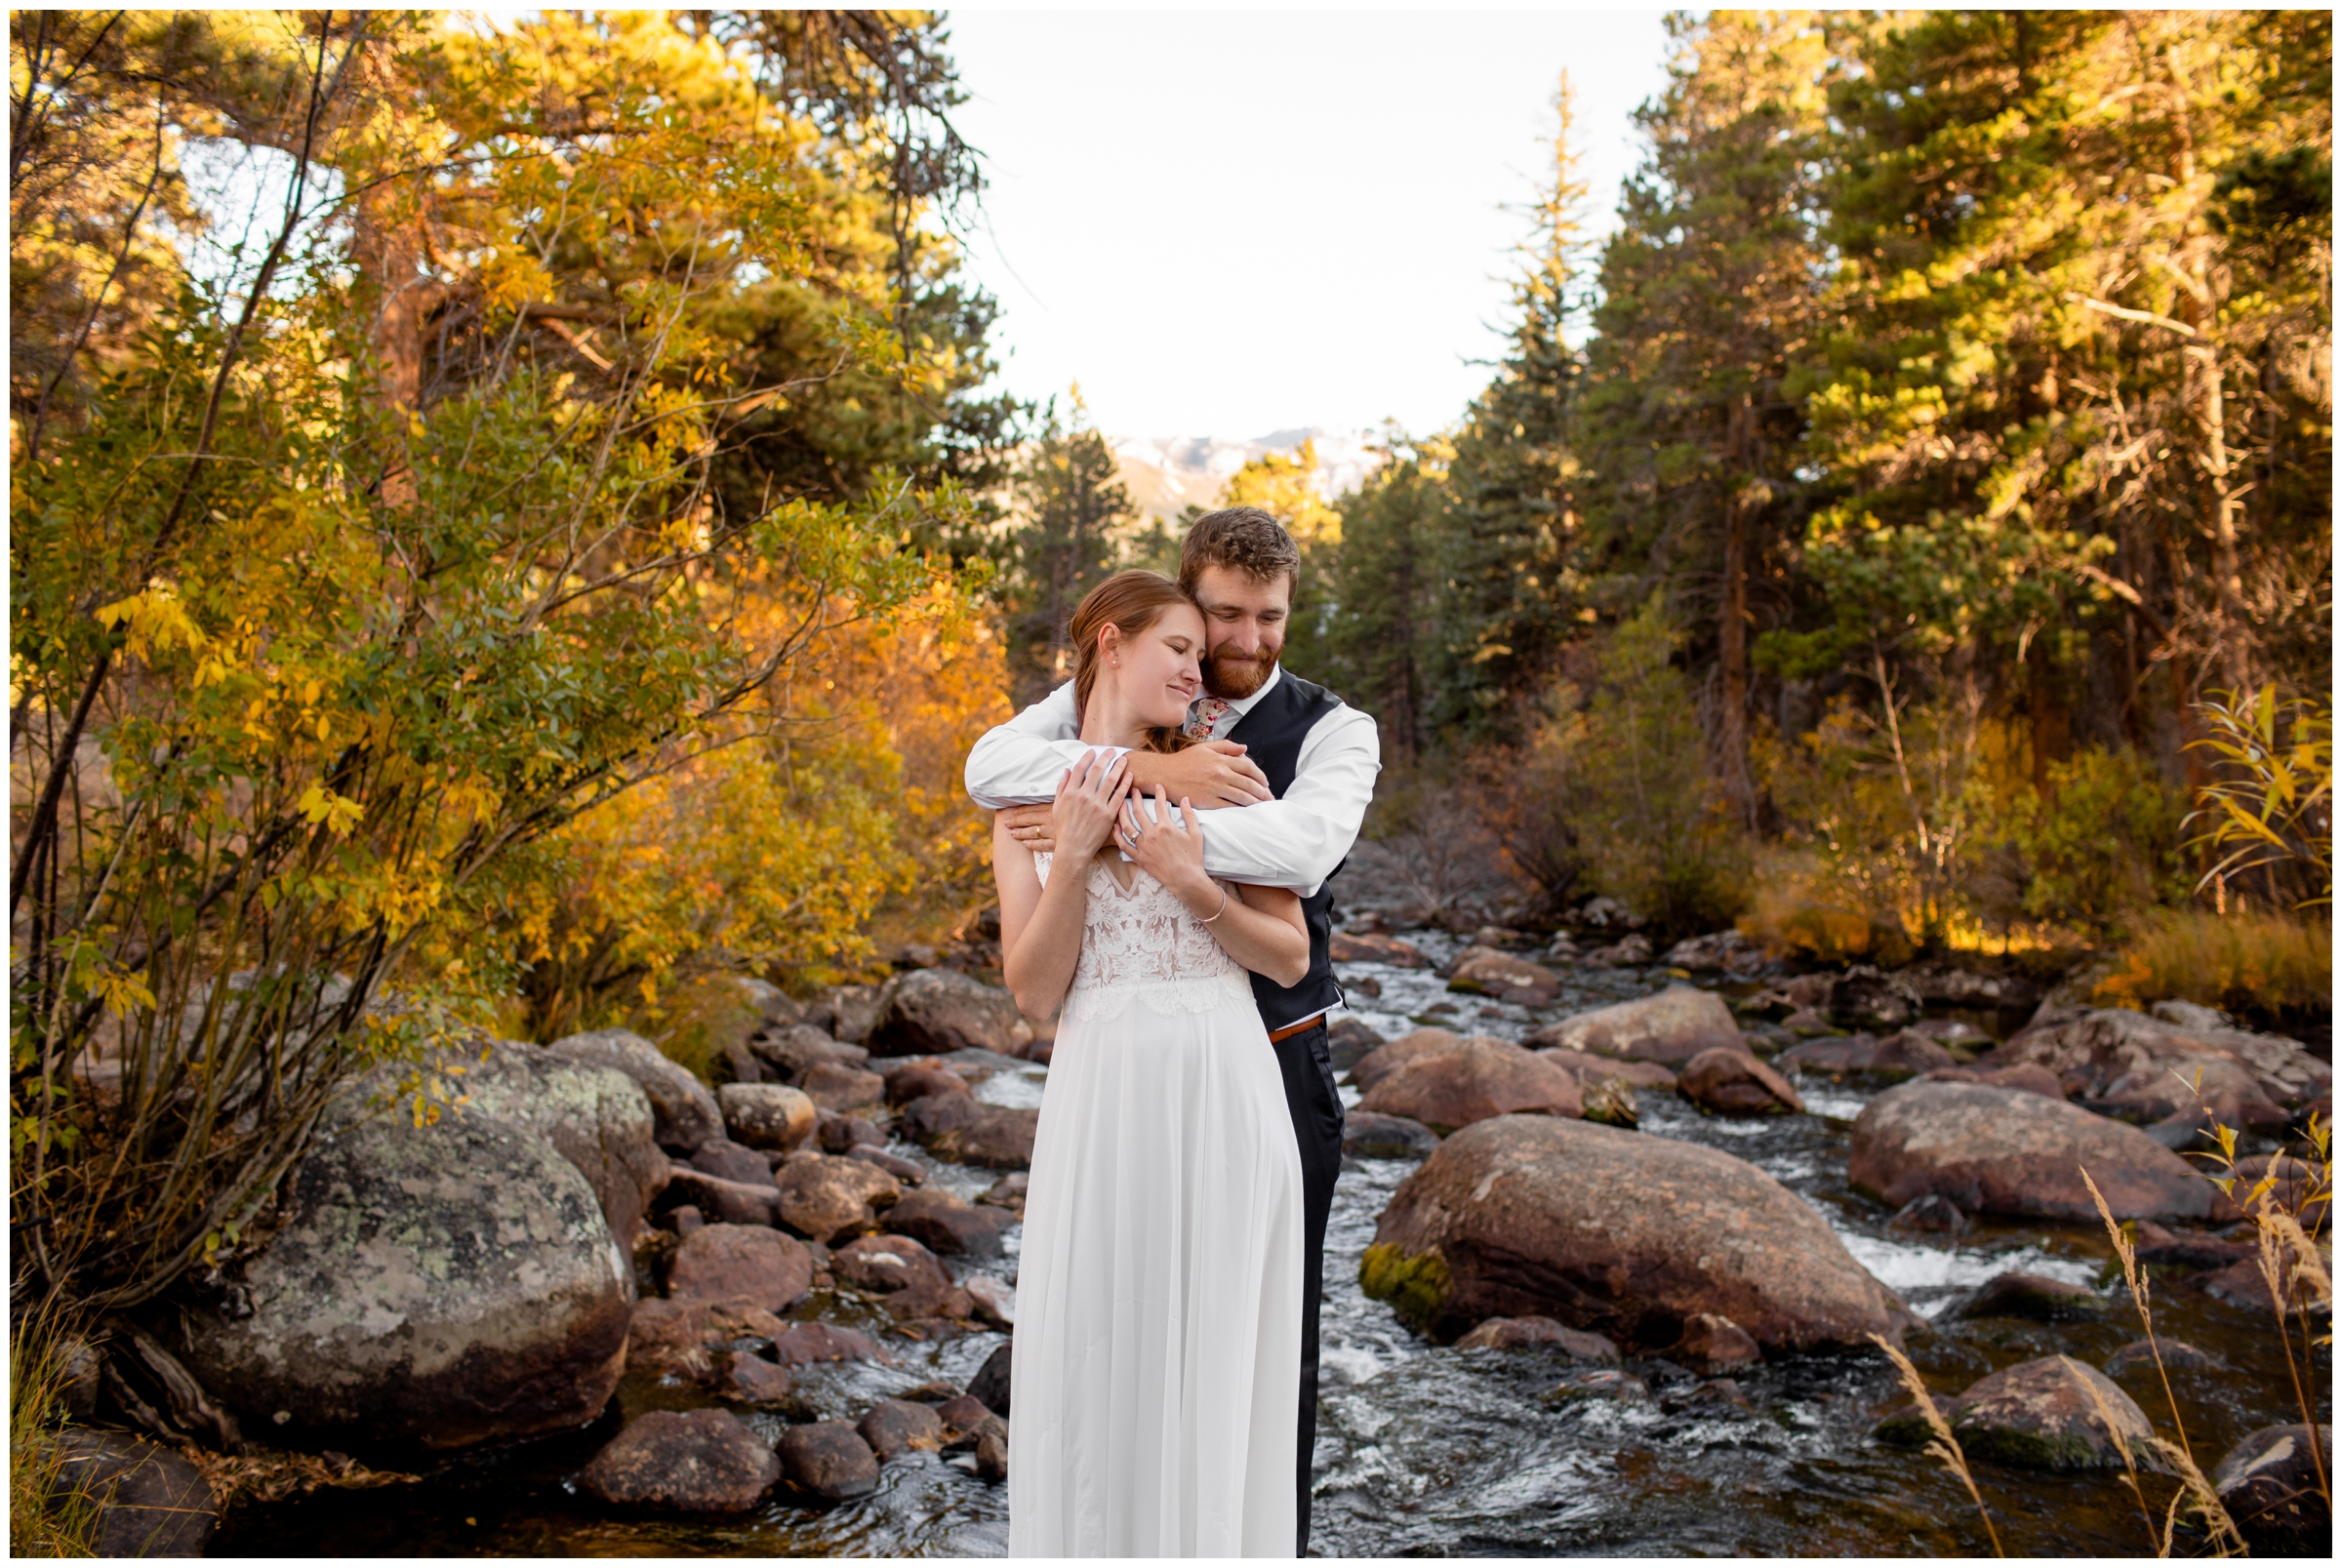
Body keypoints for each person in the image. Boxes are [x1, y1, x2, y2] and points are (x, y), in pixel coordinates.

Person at [967, 507, 1380, 1555]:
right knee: (1100, 1342)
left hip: (1255, 1070)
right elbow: (1029, 965)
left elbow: (1293, 876)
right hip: (1102, 1085)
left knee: (1246, 1357)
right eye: (1205, 628)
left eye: (1262, 618)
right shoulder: (1043, 755)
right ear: (1136, 631)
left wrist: (1163, 824)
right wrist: (1092, 817)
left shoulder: (1307, 739)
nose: (1229, 649)